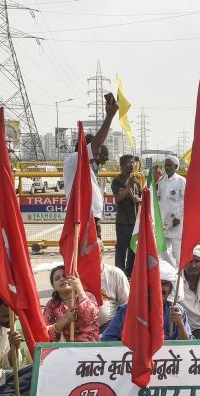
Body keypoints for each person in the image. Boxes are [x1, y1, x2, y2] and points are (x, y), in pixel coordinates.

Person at [63, 97, 118, 238]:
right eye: (97, 152)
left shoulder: (86, 166)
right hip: (83, 215)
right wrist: (110, 116)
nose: (98, 156)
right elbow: (96, 144)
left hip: (92, 217)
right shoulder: (75, 159)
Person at [102, 260, 194, 341]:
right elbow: (108, 339)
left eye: (165, 284)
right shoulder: (128, 310)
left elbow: (189, 346)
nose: (160, 288)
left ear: (170, 289)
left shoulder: (177, 311)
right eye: (156, 283)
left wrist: (180, 324)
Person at [43, 266, 100, 342]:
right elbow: (44, 333)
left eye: (65, 276)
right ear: (54, 287)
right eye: (57, 278)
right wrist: (62, 322)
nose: (62, 279)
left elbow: (91, 317)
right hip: (62, 350)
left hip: (88, 348)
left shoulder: (88, 296)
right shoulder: (51, 305)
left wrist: (79, 289)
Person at [111, 154, 141, 275]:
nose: (131, 166)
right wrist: (128, 186)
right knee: (121, 250)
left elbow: (138, 198)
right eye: (128, 163)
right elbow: (119, 197)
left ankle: (129, 274)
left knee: (133, 250)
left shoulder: (136, 181)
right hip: (123, 221)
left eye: (133, 163)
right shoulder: (117, 181)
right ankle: (119, 274)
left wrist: (138, 199)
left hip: (134, 221)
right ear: (122, 165)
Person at [158, 155, 186, 265]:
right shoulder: (161, 181)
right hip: (164, 222)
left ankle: (180, 276)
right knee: (163, 251)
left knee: (177, 253)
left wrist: (179, 217)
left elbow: (185, 200)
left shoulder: (181, 181)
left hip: (175, 222)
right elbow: (159, 199)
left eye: (170, 165)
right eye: (166, 165)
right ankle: (171, 273)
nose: (167, 167)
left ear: (175, 166)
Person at [98, 241, 130, 332]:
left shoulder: (115, 274)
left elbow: (125, 305)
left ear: (102, 253)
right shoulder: (76, 275)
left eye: (95, 252)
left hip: (110, 327)